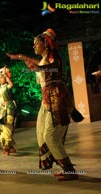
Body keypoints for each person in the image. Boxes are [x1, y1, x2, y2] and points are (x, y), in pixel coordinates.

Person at [7, 28, 82, 181]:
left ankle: (69, 169)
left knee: (49, 135)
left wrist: (38, 68)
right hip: (47, 99)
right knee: (42, 133)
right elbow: (40, 63)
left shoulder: (54, 56)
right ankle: (65, 167)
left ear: (45, 45)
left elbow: (53, 67)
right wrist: (21, 57)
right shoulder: (44, 58)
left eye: (36, 43)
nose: (34, 46)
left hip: (55, 98)